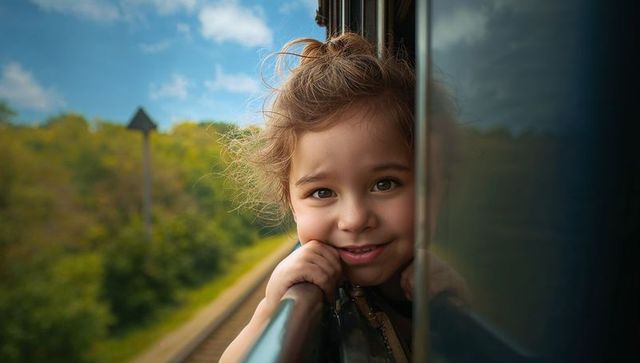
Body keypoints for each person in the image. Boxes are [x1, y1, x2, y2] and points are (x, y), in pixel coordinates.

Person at [220, 32, 469, 362]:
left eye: (385, 184)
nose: (354, 219)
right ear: (290, 203)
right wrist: (270, 311)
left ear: (433, 187)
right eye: (322, 192)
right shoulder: (300, 298)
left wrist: (457, 308)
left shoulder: (433, 283)